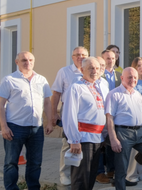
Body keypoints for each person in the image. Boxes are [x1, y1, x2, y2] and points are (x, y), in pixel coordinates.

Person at [0, 52, 53, 190]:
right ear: (17, 62)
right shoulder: (9, 80)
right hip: (15, 127)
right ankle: (11, 188)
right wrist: (4, 127)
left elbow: (47, 103)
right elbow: (0, 104)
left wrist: (50, 122)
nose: (28, 62)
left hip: (36, 128)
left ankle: (33, 187)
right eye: (24, 60)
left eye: (30, 60)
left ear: (34, 61)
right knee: (11, 162)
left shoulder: (41, 79)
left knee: (35, 162)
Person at [107, 68, 142, 190]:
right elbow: (109, 118)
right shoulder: (114, 94)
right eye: (129, 77)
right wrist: (113, 139)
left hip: (139, 132)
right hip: (122, 132)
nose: (132, 80)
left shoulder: (137, 95)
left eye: (135, 77)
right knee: (122, 166)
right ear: (122, 78)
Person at [63, 57, 109, 190]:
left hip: (97, 138)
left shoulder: (100, 87)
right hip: (83, 138)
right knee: (81, 178)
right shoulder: (76, 88)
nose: (94, 71)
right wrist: (74, 139)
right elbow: (69, 115)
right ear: (82, 70)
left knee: (91, 176)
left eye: (96, 68)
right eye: (90, 68)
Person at [50, 46, 89, 186]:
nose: (81, 57)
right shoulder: (64, 72)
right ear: (72, 57)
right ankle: (64, 173)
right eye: (77, 55)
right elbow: (56, 94)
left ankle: (78, 173)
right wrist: (54, 114)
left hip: (85, 114)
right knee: (68, 143)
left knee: (83, 144)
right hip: (68, 112)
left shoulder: (89, 71)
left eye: (84, 55)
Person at [97, 50, 123, 184]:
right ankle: (99, 172)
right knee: (99, 143)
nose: (110, 60)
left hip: (114, 112)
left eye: (113, 58)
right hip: (100, 111)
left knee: (111, 140)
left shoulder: (119, 74)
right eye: (107, 58)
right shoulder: (98, 75)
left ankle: (111, 169)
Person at [125, 57, 142, 183]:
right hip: (135, 113)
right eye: (139, 66)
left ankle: (141, 171)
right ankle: (131, 174)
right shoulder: (131, 81)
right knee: (134, 145)